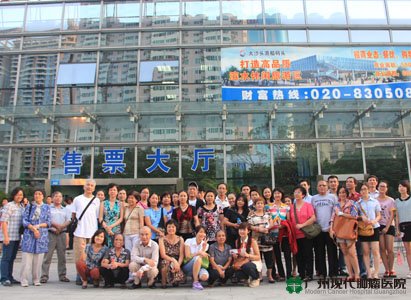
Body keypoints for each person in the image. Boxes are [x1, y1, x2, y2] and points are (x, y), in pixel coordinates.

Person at [20, 189, 51, 287]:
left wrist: (38, 226)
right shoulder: (29, 206)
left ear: (43, 196)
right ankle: (24, 280)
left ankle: (36, 279)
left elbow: (49, 222)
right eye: (36, 194)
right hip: (29, 235)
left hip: (41, 236)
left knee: (38, 260)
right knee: (27, 260)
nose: (37, 195)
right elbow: (24, 220)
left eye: (40, 194)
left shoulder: (47, 207)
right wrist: (33, 228)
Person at [72, 179, 100, 284]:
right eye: (87, 185)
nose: (89, 187)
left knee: (92, 256)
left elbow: (97, 217)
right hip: (80, 232)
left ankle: (90, 276)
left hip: (93, 233)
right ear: (84, 186)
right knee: (79, 255)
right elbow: (73, 215)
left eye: (92, 185)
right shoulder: (77, 199)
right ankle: (80, 275)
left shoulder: (96, 201)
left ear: (94, 188)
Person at [329, 187, 360, 281]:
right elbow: (332, 218)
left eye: (344, 192)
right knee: (345, 253)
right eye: (340, 192)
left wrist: (342, 214)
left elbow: (355, 216)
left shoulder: (352, 203)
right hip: (339, 231)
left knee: (352, 253)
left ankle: (357, 274)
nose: (342, 194)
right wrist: (331, 229)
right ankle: (350, 274)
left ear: (347, 193)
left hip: (349, 230)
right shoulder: (336, 205)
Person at [40, 191, 71, 283]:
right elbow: (46, 219)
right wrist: (56, 226)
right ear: (52, 198)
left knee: (62, 256)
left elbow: (68, 220)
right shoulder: (47, 208)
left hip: (62, 234)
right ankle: (44, 276)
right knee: (47, 256)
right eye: (56, 196)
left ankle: (62, 275)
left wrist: (61, 227)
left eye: (60, 196)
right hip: (51, 233)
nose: (58, 198)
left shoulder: (65, 209)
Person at [311, 180, 338, 278]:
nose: (322, 187)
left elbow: (336, 212)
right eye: (320, 185)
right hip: (318, 229)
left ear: (327, 187)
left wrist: (332, 226)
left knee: (332, 252)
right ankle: (322, 272)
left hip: (330, 229)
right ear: (317, 187)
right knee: (319, 252)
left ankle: (333, 272)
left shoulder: (333, 197)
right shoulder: (314, 198)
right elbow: (312, 213)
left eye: (324, 185)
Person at [289, 186, 316, 281]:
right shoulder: (292, 207)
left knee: (308, 254)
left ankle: (309, 274)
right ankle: (302, 273)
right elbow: (289, 220)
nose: (296, 194)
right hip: (295, 235)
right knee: (298, 255)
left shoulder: (308, 205)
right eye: (295, 192)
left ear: (303, 195)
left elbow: (313, 218)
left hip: (306, 234)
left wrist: (302, 225)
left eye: (298, 192)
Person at [0, 187, 25, 286]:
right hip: (9, 236)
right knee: (6, 258)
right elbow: (4, 222)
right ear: (13, 195)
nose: (20, 196)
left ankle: (10, 277)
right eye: (18, 194)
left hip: (17, 237)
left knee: (12, 258)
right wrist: (5, 237)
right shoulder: (9, 206)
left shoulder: (21, 207)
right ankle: (4, 278)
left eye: (21, 195)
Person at [247, 197, 275, 283]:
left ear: (264, 205)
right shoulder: (251, 215)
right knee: (258, 259)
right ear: (254, 205)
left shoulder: (268, 214)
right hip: (256, 240)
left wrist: (267, 228)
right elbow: (249, 226)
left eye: (261, 203)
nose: (260, 205)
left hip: (267, 240)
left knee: (269, 258)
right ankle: (260, 275)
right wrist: (259, 229)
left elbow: (272, 223)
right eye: (258, 203)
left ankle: (270, 275)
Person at [357, 183, 381, 279]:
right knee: (365, 252)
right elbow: (355, 217)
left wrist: (374, 220)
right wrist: (361, 217)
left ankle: (376, 272)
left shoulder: (374, 201)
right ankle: (369, 272)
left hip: (374, 227)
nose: (364, 191)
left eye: (365, 189)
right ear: (360, 191)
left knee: (375, 251)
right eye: (362, 189)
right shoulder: (358, 203)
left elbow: (379, 214)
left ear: (368, 189)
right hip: (363, 229)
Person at [266, 187, 289, 281]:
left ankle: (288, 273)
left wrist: (283, 225)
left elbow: (288, 219)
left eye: (279, 193)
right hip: (273, 233)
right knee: (276, 255)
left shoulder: (286, 207)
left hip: (284, 233)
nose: (277, 195)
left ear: (282, 195)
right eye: (275, 193)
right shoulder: (268, 206)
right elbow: (267, 218)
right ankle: (279, 274)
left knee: (287, 254)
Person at [232, 222, 262, 288]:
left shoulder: (252, 241)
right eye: (240, 229)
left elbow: (258, 257)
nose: (241, 231)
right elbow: (239, 255)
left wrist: (248, 255)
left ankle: (256, 278)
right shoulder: (237, 241)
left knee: (247, 266)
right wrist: (235, 257)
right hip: (242, 261)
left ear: (248, 231)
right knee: (235, 271)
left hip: (252, 262)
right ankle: (246, 278)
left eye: (244, 230)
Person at [376, 181, 396, 277]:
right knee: (382, 249)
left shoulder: (391, 200)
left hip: (389, 225)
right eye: (380, 186)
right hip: (378, 226)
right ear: (378, 187)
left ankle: (392, 268)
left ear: (387, 188)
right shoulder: (374, 200)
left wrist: (387, 227)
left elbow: (392, 215)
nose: (382, 188)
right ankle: (386, 269)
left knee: (390, 249)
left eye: (384, 186)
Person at [159, 220, 185, 288]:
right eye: (169, 227)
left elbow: (181, 255)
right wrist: (173, 260)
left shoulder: (180, 239)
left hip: (177, 261)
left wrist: (178, 265)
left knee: (176, 282)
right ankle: (163, 281)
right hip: (166, 259)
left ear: (176, 228)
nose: (171, 229)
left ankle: (174, 278)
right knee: (165, 262)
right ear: (166, 228)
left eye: (173, 227)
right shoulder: (161, 239)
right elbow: (163, 255)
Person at [183, 225, 209, 290]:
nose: (202, 234)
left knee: (204, 277)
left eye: (204, 232)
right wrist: (198, 253)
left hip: (199, 266)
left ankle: (195, 277)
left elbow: (201, 259)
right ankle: (195, 282)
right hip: (188, 266)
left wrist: (203, 248)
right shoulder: (188, 241)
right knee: (198, 258)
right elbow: (188, 257)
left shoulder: (206, 244)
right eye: (200, 232)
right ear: (195, 233)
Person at [99, 183, 124, 248]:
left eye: (114, 190)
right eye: (111, 190)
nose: (112, 191)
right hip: (105, 229)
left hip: (116, 230)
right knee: (105, 248)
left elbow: (121, 218)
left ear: (117, 192)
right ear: (108, 192)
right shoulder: (103, 203)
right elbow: (100, 218)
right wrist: (107, 228)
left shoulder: (120, 203)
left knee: (116, 247)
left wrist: (111, 227)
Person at [395, 180, 411, 279]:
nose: (402, 188)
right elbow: (396, 216)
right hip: (403, 226)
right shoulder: (396, 201)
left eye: (403, 186)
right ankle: (410, 270)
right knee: (408, 250)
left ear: (407, 188)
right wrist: (397, 229)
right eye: (400, 186)